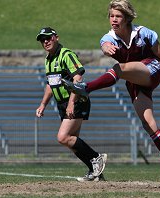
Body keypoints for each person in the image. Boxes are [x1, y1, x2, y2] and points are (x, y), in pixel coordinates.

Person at [62, 0, 160, 189]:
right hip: (135, 82)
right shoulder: (109, 37)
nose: (113, 19)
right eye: (111, 16)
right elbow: (105, 43)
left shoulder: (143, 33)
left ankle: (86, 89)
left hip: (151, 71)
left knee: (119, 68)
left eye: (118, 16)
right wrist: (104, 47)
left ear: (127, 18)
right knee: (149, 125)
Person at [35, 27, 107, 182]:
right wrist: (43, 104)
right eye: (42, 39)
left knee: (63, 137)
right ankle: (95, 172)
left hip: (76, 100)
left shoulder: (66, 54)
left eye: (48, 38)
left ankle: (96, 157)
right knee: (72, 141)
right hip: (62, 103)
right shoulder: (48, 59)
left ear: (56, 38)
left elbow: (78, 78)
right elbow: (50, 84)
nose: (45, 41)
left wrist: (71, 103)